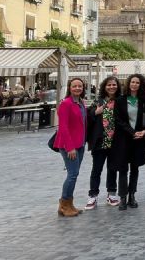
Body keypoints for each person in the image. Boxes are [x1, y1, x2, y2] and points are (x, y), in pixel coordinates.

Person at [112, 74, 145, 210]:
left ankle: (132, 195)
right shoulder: (120, 100)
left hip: (138, 138)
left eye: (137, 83)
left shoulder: (143, 100)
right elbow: (118, 120)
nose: (134, 85)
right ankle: (123, 197)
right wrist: (132, 132)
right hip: (123, 139)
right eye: (132, 82)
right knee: (123, 169)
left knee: (135, 168)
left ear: (140, 85)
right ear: (128, 84)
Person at [85, 76, 122, 210]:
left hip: (115, 141)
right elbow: (88, 117)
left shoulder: (120, 101)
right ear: (104, 87)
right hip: (100, 141)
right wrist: (95, 112)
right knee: (97, 169)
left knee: (112, 168)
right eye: (109, 85)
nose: (112, 87)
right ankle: (93, 195)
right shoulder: (98, 101)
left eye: (114, 85)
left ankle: (111, 193)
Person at [54, 78, 88, 217]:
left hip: (80, 144)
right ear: (70, 87)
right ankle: (63, 205)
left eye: (80, 86)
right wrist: (70, 148)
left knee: (74, 174)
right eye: (74, 86)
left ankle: (69, 204)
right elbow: (63, 127)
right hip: (69, 145)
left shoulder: (81, 103)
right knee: (72, 174)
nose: (77, 88)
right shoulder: (66, 104)